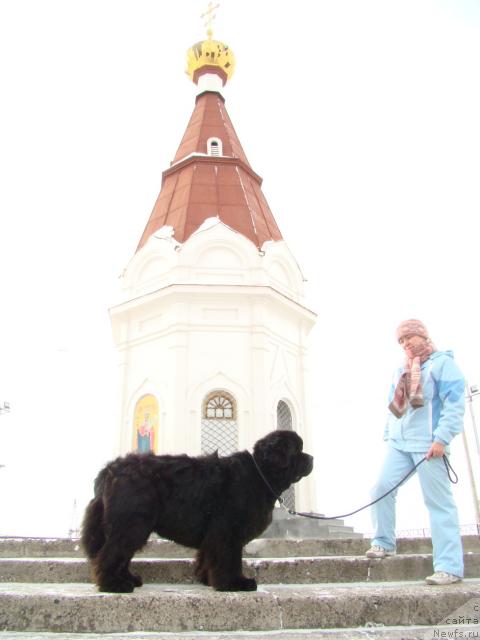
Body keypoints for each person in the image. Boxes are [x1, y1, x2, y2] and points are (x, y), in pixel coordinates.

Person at [366, 319, 465, 585]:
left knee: (438, 504)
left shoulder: (443, 364)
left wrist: (441, 439)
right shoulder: (401, 369)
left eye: (410, 337)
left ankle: (449, 568)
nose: (406, 343)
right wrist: (389, 435)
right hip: (399, 443)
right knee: (380, 487)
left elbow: (454, 406)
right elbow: (393, 406)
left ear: (423, 336)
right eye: (401, 340)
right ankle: (384, 542)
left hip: (429, 445)